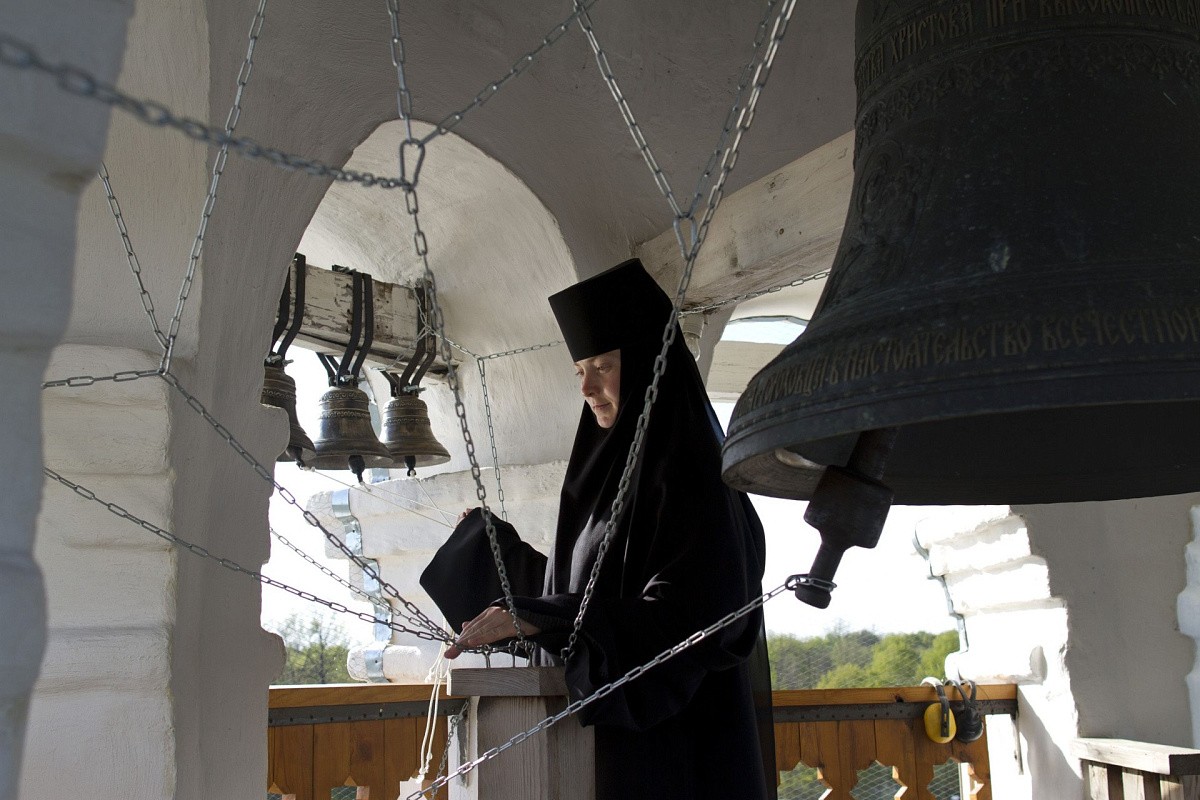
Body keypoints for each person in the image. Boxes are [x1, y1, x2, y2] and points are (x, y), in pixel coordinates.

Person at [422, 258, 775, 800]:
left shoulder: (692, 469)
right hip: (599, 751)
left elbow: (694, 618)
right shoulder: (604, 467)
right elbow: (594, 592)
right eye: (579, 371)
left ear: (648, 366)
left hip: (679, 749)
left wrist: (539, 614)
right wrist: (496, 554)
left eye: (603, 366)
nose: (587, 386)